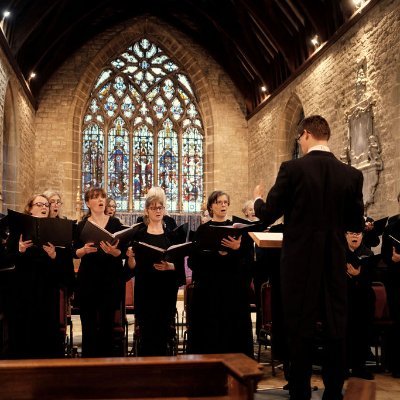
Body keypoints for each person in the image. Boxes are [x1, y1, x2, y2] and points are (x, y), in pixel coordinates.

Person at [254, 115, 364, 400]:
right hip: (333, 261)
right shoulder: (351, 174)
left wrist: (256, 200)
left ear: (305, 135)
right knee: (335, 327)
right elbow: (354, 222)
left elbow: (268, 214)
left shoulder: (293, 169)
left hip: (299, 263)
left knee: (299, 328)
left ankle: (300, 391)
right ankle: (333, 393)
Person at [187, 190, 254, 357]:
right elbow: (193, 261)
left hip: (233, 290)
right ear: (211, 206)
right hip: (210, 290)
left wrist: (237, 249)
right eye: (219, 202)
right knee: (210, 331)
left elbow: (248, 262)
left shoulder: (239, 230)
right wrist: (216, 254)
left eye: (225, 202)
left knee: (232, 331)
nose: (223, 205)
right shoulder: (202, 230)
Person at [5, 194, 72, 358]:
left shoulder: (56, 229)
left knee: (46, 329)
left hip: (47, 289)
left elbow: (65, 267)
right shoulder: (18, 231)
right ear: (30, 208)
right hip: (24, 289)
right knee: (24, 328)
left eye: (46, 205)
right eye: (40, 204)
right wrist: (19, 250)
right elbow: (6, 261)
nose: (44, 207)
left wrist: (54, 255)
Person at [74, 187, 134, 357]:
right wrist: (83, 250)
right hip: (89, 279)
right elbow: (74, 251)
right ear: (88, 203)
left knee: (107, 325)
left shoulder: (116, 224)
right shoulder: (81, 225)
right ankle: (88, 366)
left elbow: (121, 252)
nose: (100, 200)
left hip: (110, 279)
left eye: (102, 197)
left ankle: (107, 367)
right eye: (95, 197)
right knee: (89, 325)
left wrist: (113, 252)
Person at [126, 190, 186, 356]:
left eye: (160, 207)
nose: (158, 210)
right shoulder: (138, 235)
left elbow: (179, 267)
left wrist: (170, 267)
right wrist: (130, 257)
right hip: (145, 289)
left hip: (165, 290)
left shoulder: (171, 237)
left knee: (164, 331)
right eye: (153, 208)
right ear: (147, 211)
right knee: (146, 331)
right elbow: (132, 267)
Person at [344, 231, 376, 380]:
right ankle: (343, 367)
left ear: (362, 236)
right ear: (345, 236)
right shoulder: (339, 252)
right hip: (345, 299)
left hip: (363, 300)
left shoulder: (368, 254)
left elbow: (371, 277)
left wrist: (357, 275)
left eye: (357, 234)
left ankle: (359, 367)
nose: (354, 236)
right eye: (351, 233)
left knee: (362, 333)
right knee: (344, 333)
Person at [381, 192, 400, 377]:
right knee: (397, 322)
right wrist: (393, 259)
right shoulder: (392, 227)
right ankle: (395, 366)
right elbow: (385, 255)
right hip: (396, 281)